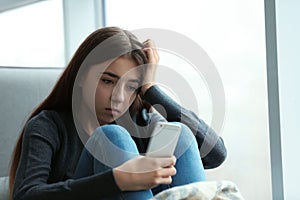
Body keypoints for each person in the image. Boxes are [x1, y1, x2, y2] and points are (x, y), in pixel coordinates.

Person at [9, 27, 227, 200]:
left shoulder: (139, 122)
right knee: (112, 136)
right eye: (107, 81)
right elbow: (25, 194)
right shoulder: (48, 125)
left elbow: (215, 154)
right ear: (82, 75)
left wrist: (151, 89)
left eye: (131, 86)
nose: (119, 98)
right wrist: (118, 180)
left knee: (180, 133)